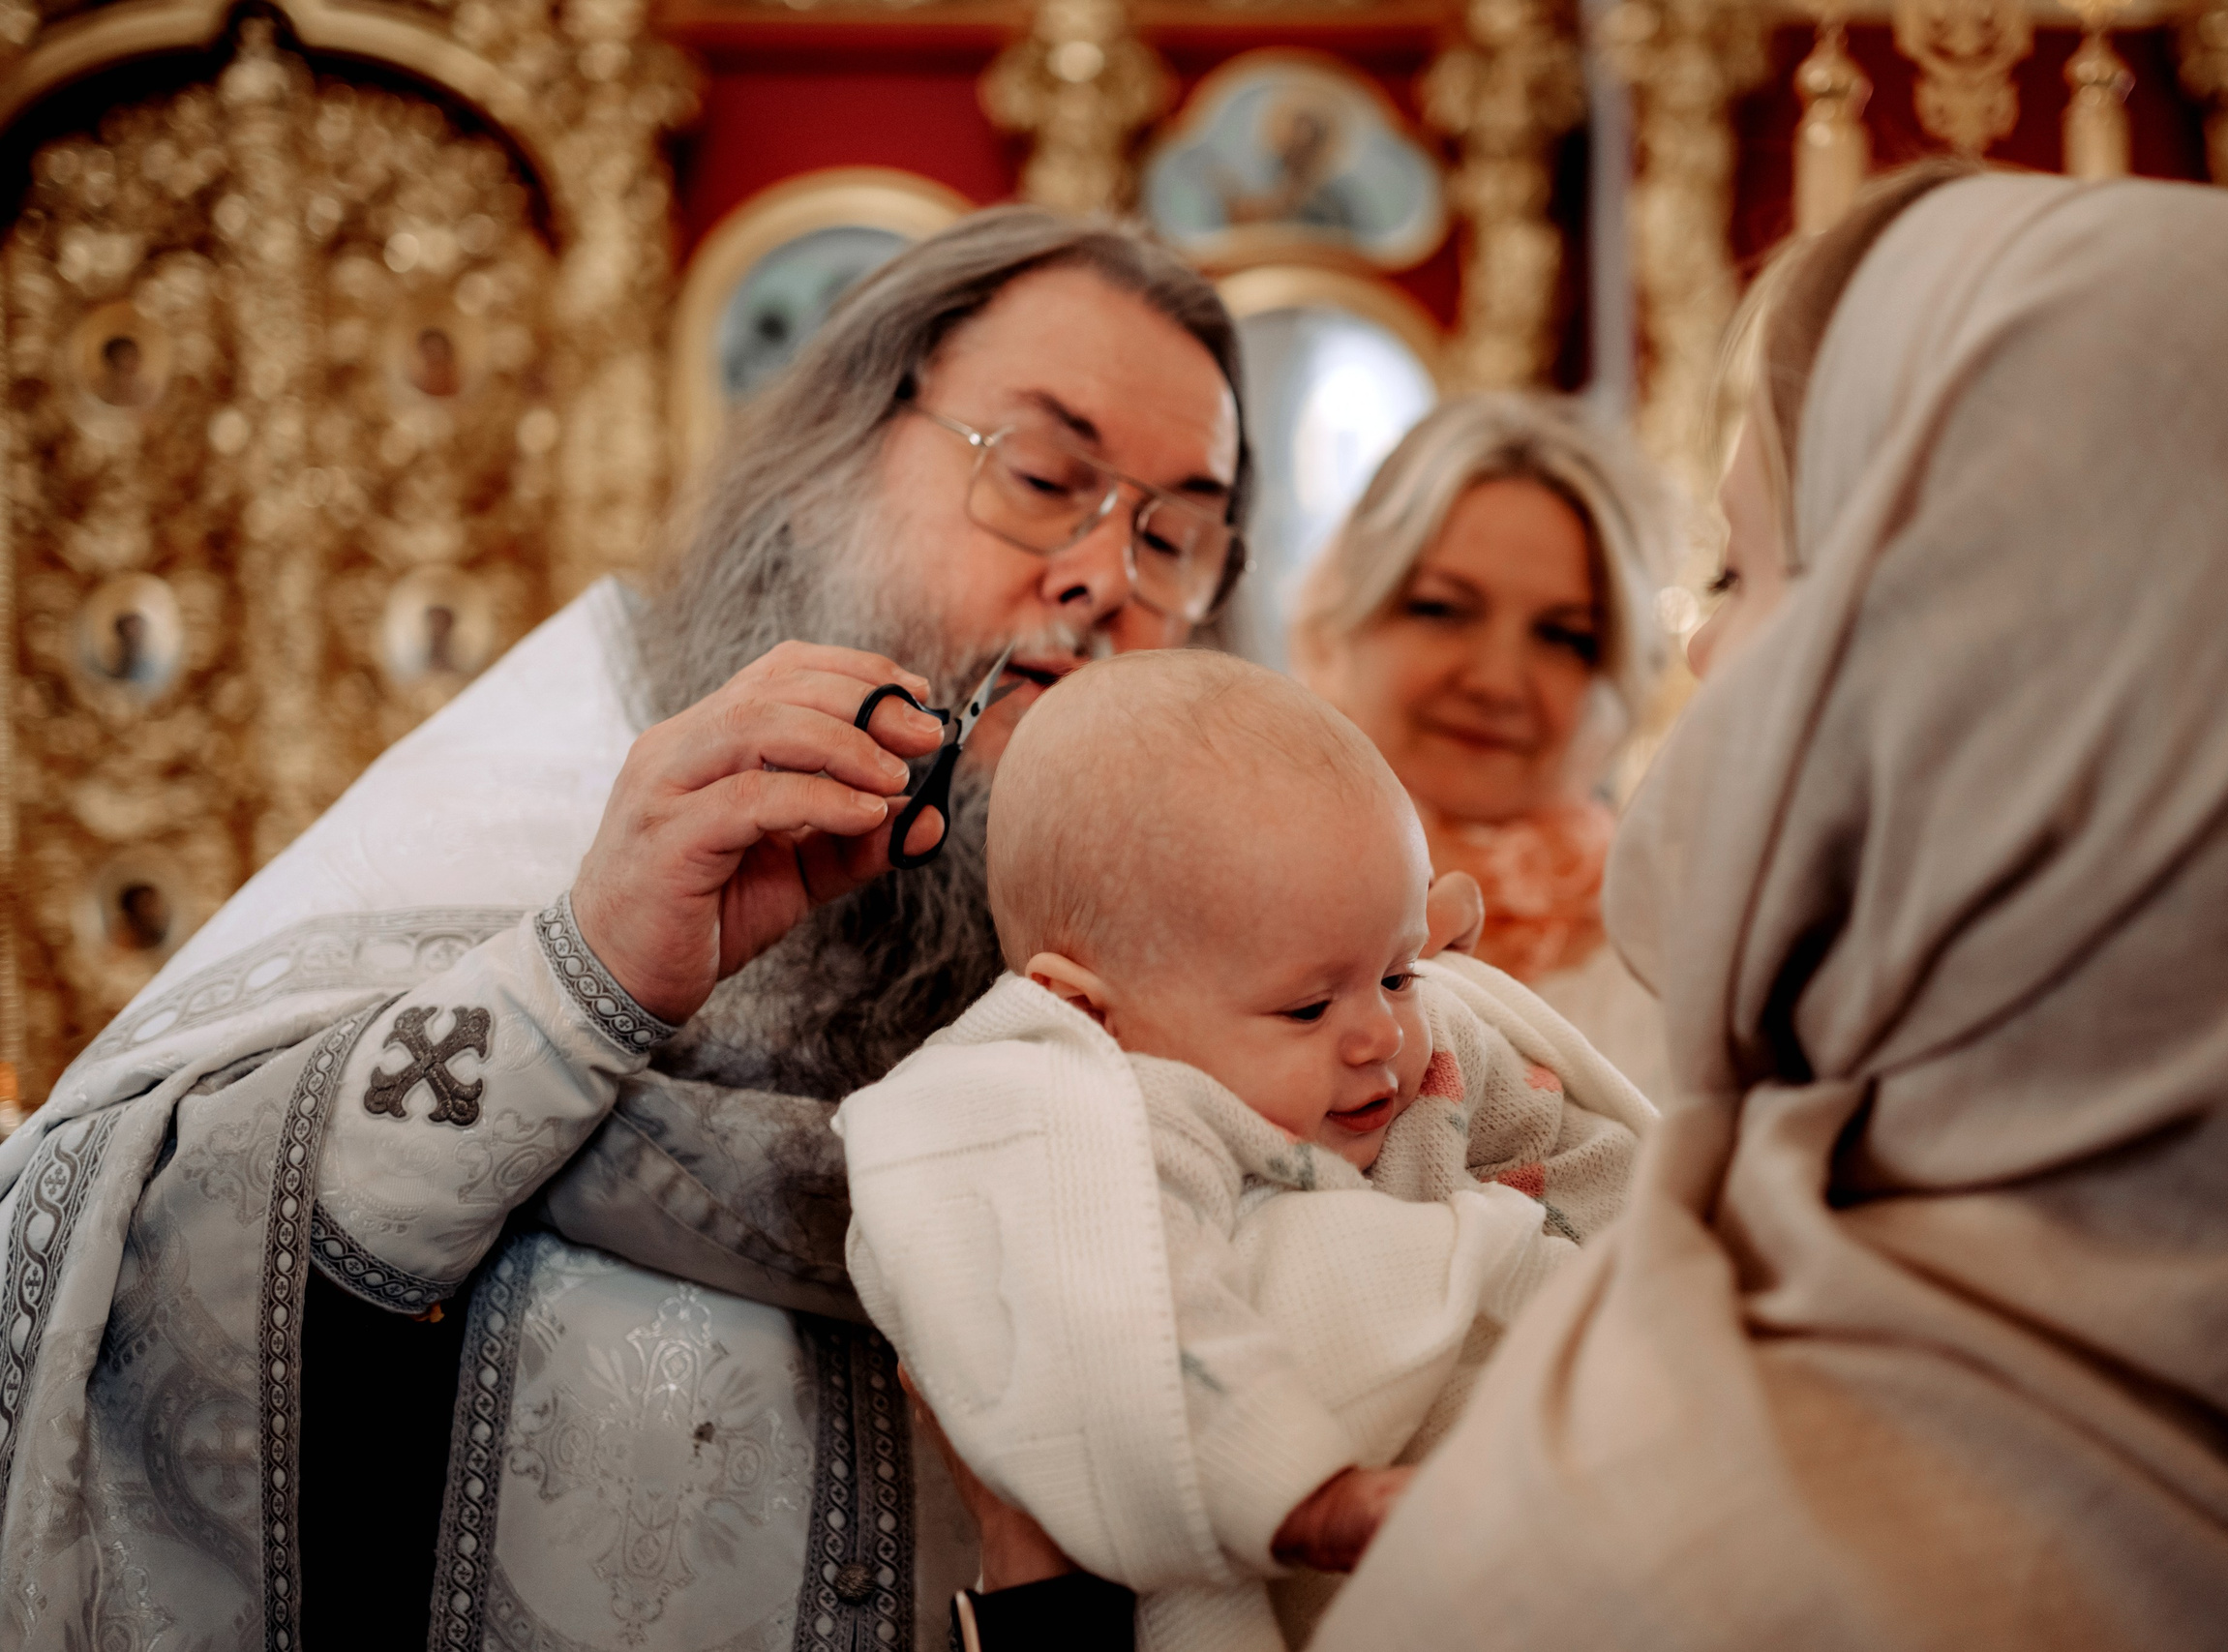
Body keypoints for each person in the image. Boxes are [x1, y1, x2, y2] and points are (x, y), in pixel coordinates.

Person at [0, 208, 1249, 1652]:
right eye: (1042, 476)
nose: (1107, 579)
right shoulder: (528, 806)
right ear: (829, 469)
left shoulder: (1194, 1000)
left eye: (1175, 535)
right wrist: (577, 982)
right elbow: (129, 1246)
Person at [1311, 168, 2228, 1648]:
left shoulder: (1655, 1524)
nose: (1709, 658)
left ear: (1949, 669)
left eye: (1745, 570)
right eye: (1439, 604)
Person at [837, 650, 1654, 1649]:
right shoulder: (1074, 1116)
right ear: (1088, 1011)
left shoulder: (1424, 1039)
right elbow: (1121, 1317)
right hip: (1319, 1545)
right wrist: (1312, 1497)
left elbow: (1593, 1164)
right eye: (1308, 1006)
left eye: (1397, 971)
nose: (1379, 1035)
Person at [1291, 393, 1685, 1098]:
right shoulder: (1220, 890)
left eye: (1563, 636)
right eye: (1443, 609)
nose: (1498, 681)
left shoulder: (1670, 969)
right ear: (1343, 619)